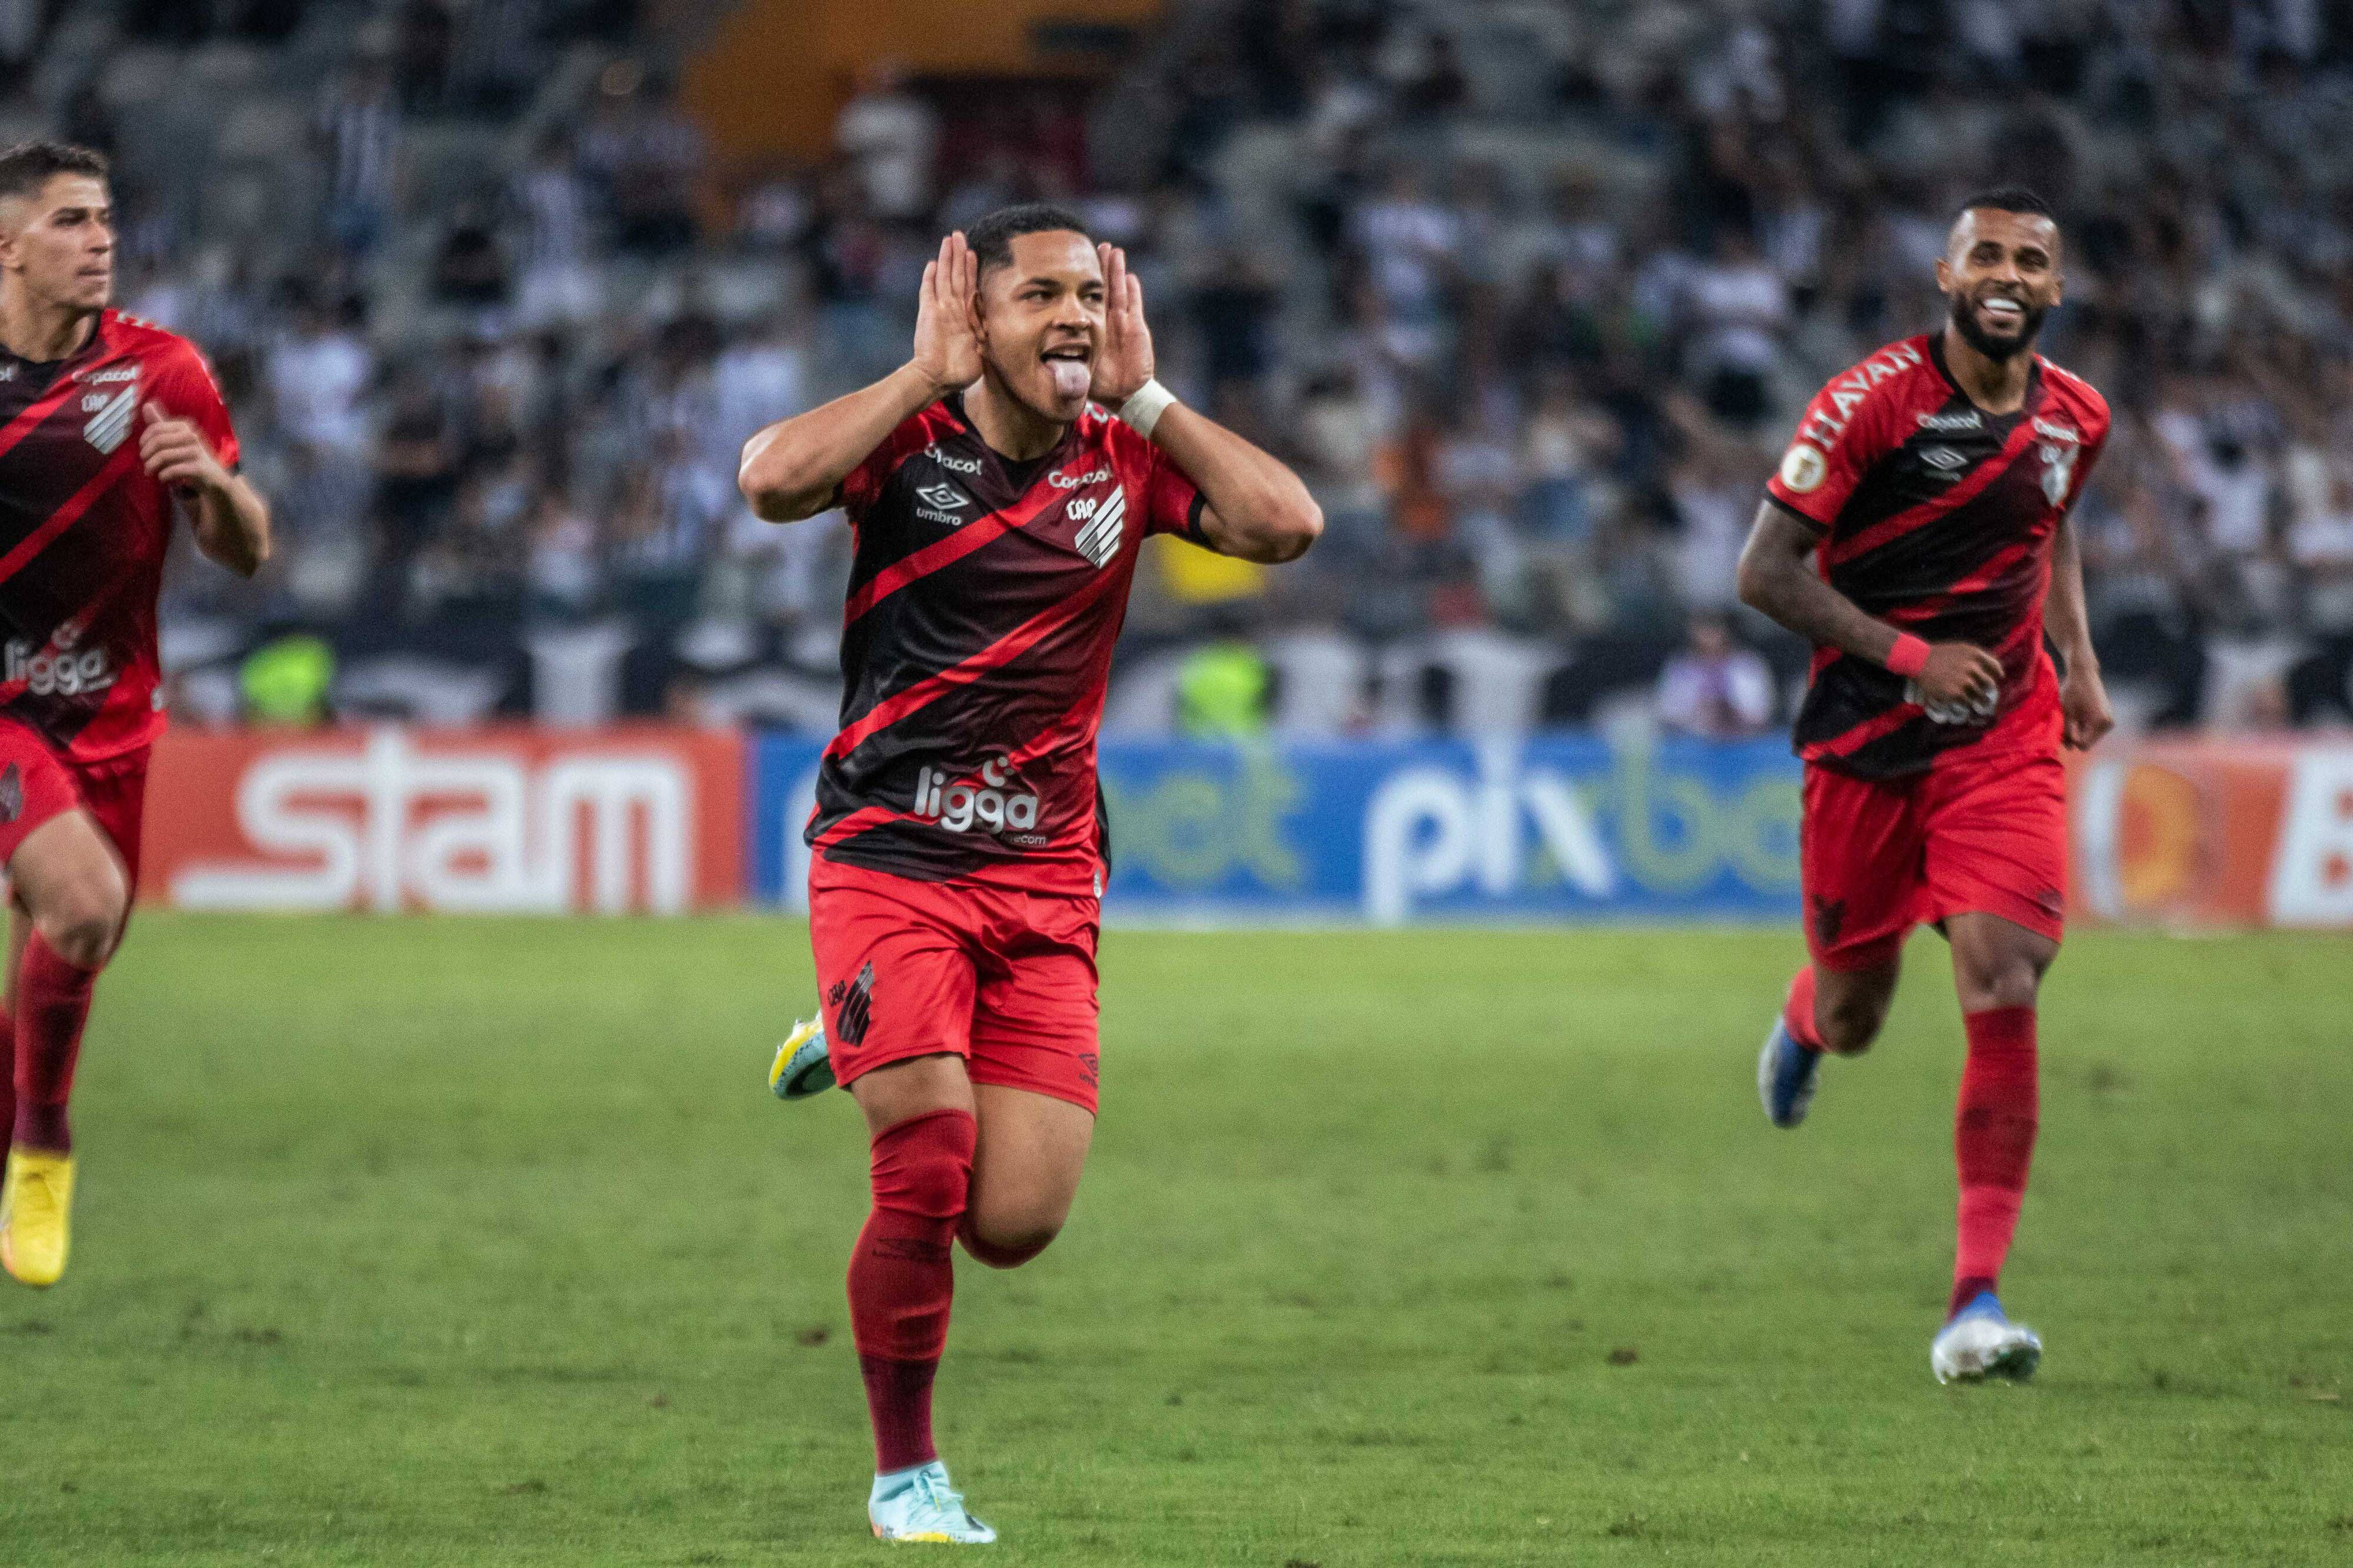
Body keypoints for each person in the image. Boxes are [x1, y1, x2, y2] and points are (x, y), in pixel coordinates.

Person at [737, 205, 1319, 1543]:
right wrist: (910, 375)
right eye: (1040, 296)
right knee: (928, 1159)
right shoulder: (910, 447)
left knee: (1012, 1221)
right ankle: (906, 1474)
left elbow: (1285, 523)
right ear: (977, 320)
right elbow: (768, 480)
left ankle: (854, 1023)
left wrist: (1153, 392)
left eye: (1088, 293)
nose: (1069, 315)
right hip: (891, 852)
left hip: (1048, 876)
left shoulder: (1125, 459)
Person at [1734, 188, 2111, 1384]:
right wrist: (1905, 657)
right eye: (1985, 258)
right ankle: (1803, 1017)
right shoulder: (1867, 403)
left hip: (2000, 733)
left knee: (2001, 969)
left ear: (2052, 292)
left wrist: (2076, 659)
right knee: (1857, 1015)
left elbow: (2045, 524)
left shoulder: (2075, 419)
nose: (2006, 276)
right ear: (1946, 281)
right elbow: (1761, 571)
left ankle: (1972, 1303)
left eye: (2029, 263)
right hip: (1863, 742)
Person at [0, 141, 271, 1286]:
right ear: (9, 247)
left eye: (105, 217)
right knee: (84, 897)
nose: (100, 239)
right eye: (70, 221)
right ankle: (44, 1147)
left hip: (111, 713)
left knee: (82, 935)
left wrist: (211, 489)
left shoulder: (163, 372)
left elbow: (247, 552)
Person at [1655, 612, 1774, 738]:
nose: (1709, 633)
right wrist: (1701, 712)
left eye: (1714, 626)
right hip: (1692, 743)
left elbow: (1762, 714)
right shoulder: (1679, 666)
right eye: (1703, 626)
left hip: (1742, 743)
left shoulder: (1749, 664)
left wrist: (1730, 712)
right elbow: (1666, 714)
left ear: (1727, 629)